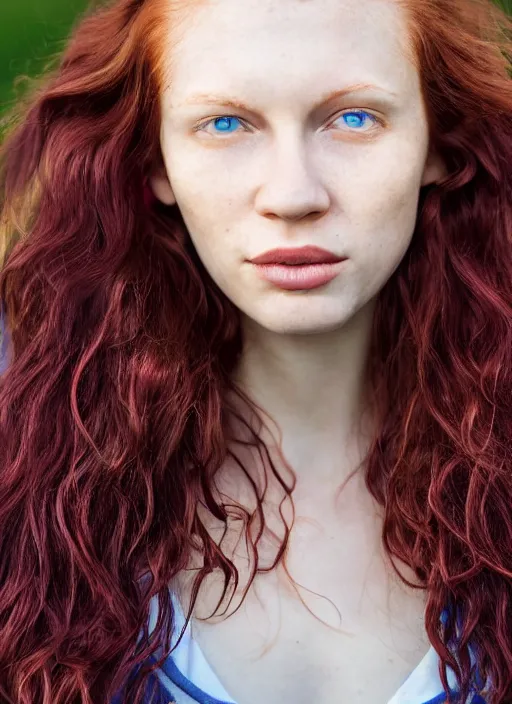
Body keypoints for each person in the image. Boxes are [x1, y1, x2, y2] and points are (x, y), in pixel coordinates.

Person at [0, 0, 510, 702]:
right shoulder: (25, 497)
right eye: (226, 124)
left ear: (438, 145)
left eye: (353, 118)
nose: (293, 194)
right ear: (157, 164)